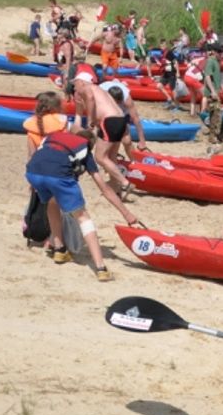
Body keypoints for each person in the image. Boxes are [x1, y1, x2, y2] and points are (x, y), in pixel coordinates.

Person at [25, 128, 141, 281]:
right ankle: (101, 267)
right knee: (83, 217)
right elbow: (104, 188)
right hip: (58, 176)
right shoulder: (84, 149)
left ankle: (60, 249)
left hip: (33, 172)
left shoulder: (55, 137)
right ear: (90, 145)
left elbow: (38, 156)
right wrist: (127, 214)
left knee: (52, 203)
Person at [69, 64, 132, 196]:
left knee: (100, 157)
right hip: (120, 120)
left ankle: (124, 183)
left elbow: (91, 100)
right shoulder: (100, 90)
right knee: (111, 156)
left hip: (109, 121)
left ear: (81, 82)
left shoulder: (87, 88)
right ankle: (116, 188)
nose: (74, 87)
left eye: (75, 84)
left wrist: (91, 121)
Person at [99, 79, 149, 159]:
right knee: (113, 143)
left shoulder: (126, 99)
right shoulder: (101, 93)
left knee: (127, 141)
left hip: (122, 115)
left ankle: (134, 162)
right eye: (116, 103)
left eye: (119, 103)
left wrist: (142, 140)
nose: (117, 105)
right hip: (106, 113)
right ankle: (112, 161)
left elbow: (135, 118)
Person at [23, 91, 68, 156]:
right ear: (58, 107)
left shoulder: (32, 124)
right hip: (59, 161)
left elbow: (31, 154)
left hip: (40, 163)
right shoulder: (62, 121)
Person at [182, 51, 208, 117]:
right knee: (206, 95)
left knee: (193, 96)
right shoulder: (207, 61)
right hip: (192, 78)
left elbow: (188, 66)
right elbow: (206, 76)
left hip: (186, 76)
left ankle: (192, 113)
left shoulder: (197, 59)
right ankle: (203, 114)